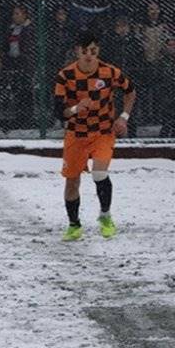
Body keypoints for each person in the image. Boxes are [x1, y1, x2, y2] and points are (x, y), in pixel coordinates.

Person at [54, 32, 136, 241]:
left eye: (93, 51)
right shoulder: (66, 75)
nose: (89, 56)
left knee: (100, 174)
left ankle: (105, 216)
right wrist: (75, 109)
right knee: (72, 181)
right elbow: (58, 111)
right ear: (77, 52)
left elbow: (131, 91)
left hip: (103, 132)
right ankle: (74, 225)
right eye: (85, 52)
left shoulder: (110, 72)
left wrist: (123, 117)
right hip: (76, 134)